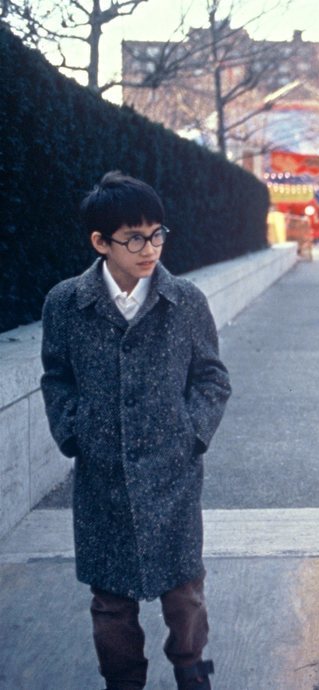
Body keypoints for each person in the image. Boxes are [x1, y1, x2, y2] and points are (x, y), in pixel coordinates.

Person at [39, 171, 232, 690]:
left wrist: (193, 434)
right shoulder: (65, 303)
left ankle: (192, 664)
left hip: (173, 469)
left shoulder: (185, 299)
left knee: (185, 589)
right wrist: (74, 432)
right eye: (134, 238)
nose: (150, 248)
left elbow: (212, 376)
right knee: (110, 601)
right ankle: (123, 679)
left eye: (157, 233)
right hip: (102, 474)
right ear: (100, 242)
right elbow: (56, 376)